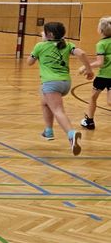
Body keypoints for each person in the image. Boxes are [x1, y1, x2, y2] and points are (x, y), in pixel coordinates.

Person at [27, 22, 93, 155]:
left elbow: (29, 62)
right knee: (44, 102)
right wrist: (89, 69)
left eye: (44, 32)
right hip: (65, 83)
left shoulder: (40, 46)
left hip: (51, 83)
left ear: (49, 35)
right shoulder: (67, 44)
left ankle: (71, 134)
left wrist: (41, 45)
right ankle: (48, 131)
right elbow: (82, 53)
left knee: (58, 110)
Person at [80, 16, 111, 130]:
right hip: (106, 77)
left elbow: (100, 62)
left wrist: (86, 67)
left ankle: (89, 121)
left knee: (93, 97)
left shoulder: (101, 44)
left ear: (101, 30)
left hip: (104, 76)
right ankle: (88, 121)